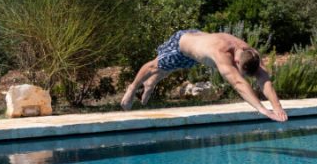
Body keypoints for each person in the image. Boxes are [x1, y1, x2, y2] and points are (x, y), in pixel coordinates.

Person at [121, 29, 288, 122]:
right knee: (154, 66)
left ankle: (150, 84)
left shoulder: (251, 55)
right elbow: (238, 84)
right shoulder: (222, 54)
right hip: (182, 45)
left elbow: (265, 80)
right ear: (237, 63)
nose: (243, 76)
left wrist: (277, 107)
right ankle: (133, 87)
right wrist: (262, 109)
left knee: (168, 69)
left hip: (197, 52)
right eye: (243, 73)